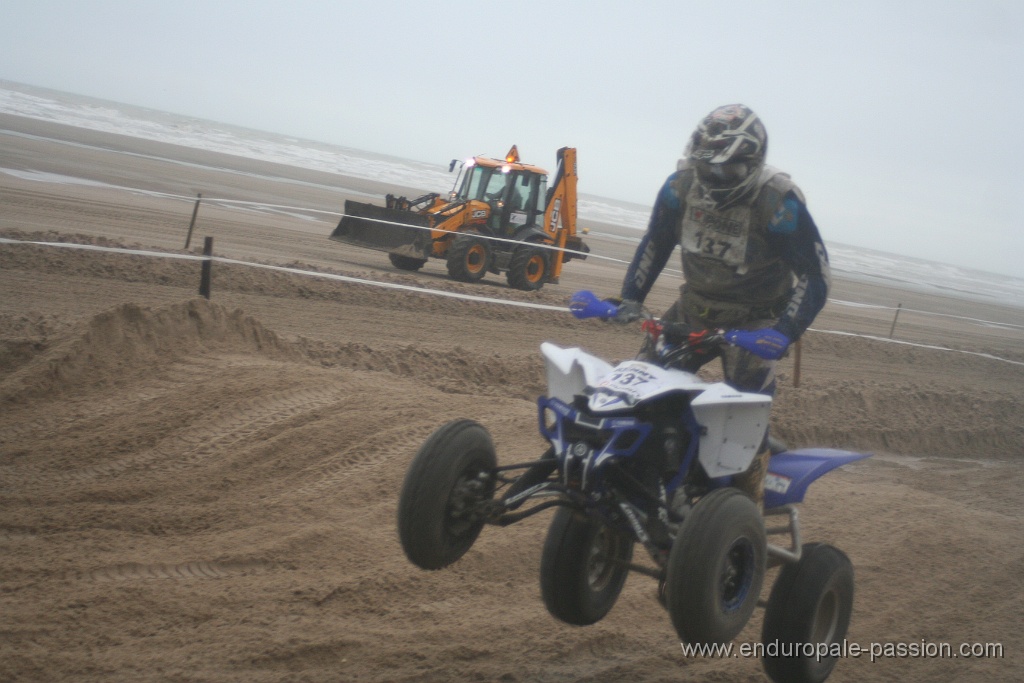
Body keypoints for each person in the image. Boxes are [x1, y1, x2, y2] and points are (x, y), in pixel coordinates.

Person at [613, 104, 831, 505]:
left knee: (745, 432)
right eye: (707, 167)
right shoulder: (679, 187)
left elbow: (816, 276)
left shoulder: (778, 203)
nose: (714, 178)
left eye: (726, 170)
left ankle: (747, 510)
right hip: (693, 308)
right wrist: (631, 299)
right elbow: (656, 242)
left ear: (752, 163)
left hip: (753, 324)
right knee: (637, 393)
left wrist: (783, 332)